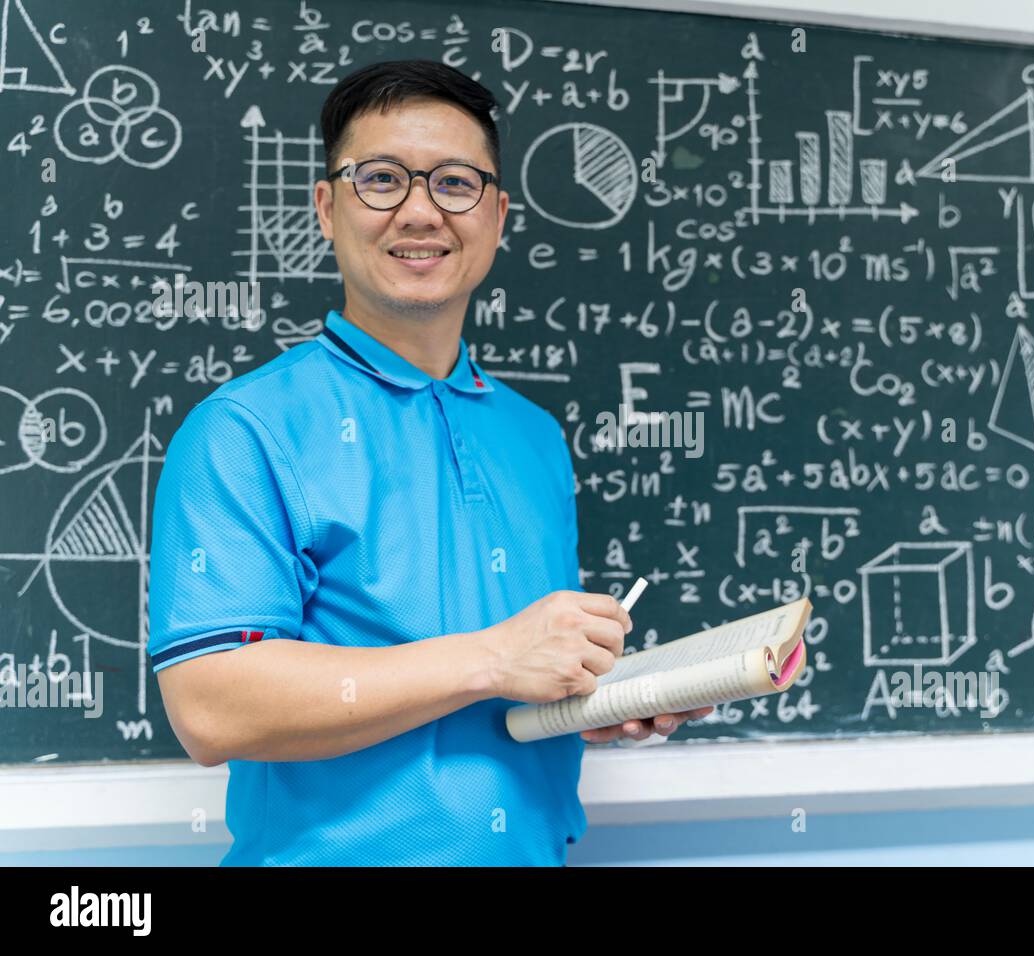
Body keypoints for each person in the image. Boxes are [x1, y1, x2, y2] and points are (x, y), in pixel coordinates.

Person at [148, 59, 711, 866]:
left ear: (498, 215)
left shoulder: (534, 438)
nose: (420, 212)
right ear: (325, 206)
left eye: (455, 183)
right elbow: (211, 708)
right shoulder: (242, 430)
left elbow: (503, 686)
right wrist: (494, 659)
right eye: (381, 179)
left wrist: (598, 698)